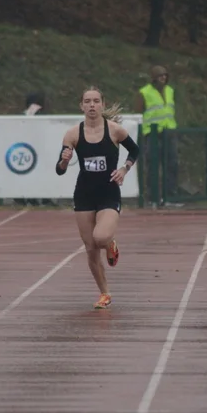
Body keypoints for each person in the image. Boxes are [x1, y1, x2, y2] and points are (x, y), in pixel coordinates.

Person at [56, 87, 140, 309]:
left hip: (108, 192)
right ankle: (105, 294)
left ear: (102, 104)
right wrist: (65, 160)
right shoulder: (73, 134)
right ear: (81, 106)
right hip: (84, 194)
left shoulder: (114, 131)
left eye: (95, 101)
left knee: (101, 238)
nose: (92, 105)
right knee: (90, 247)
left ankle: (111, 244)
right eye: (87, 101)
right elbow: (60, 169)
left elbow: (135, 150)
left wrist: (124, 169)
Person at [135, 65, 177, 203]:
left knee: (172, 164)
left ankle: (169, 195)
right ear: (154, 78)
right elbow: (138, 113)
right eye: (160, 76)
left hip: (169, 131)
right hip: (152, 134)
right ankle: (152, 196)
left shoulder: (170, 91)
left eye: (165, 75)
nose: (163, 78)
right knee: (153, 165)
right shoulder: (144, 92)